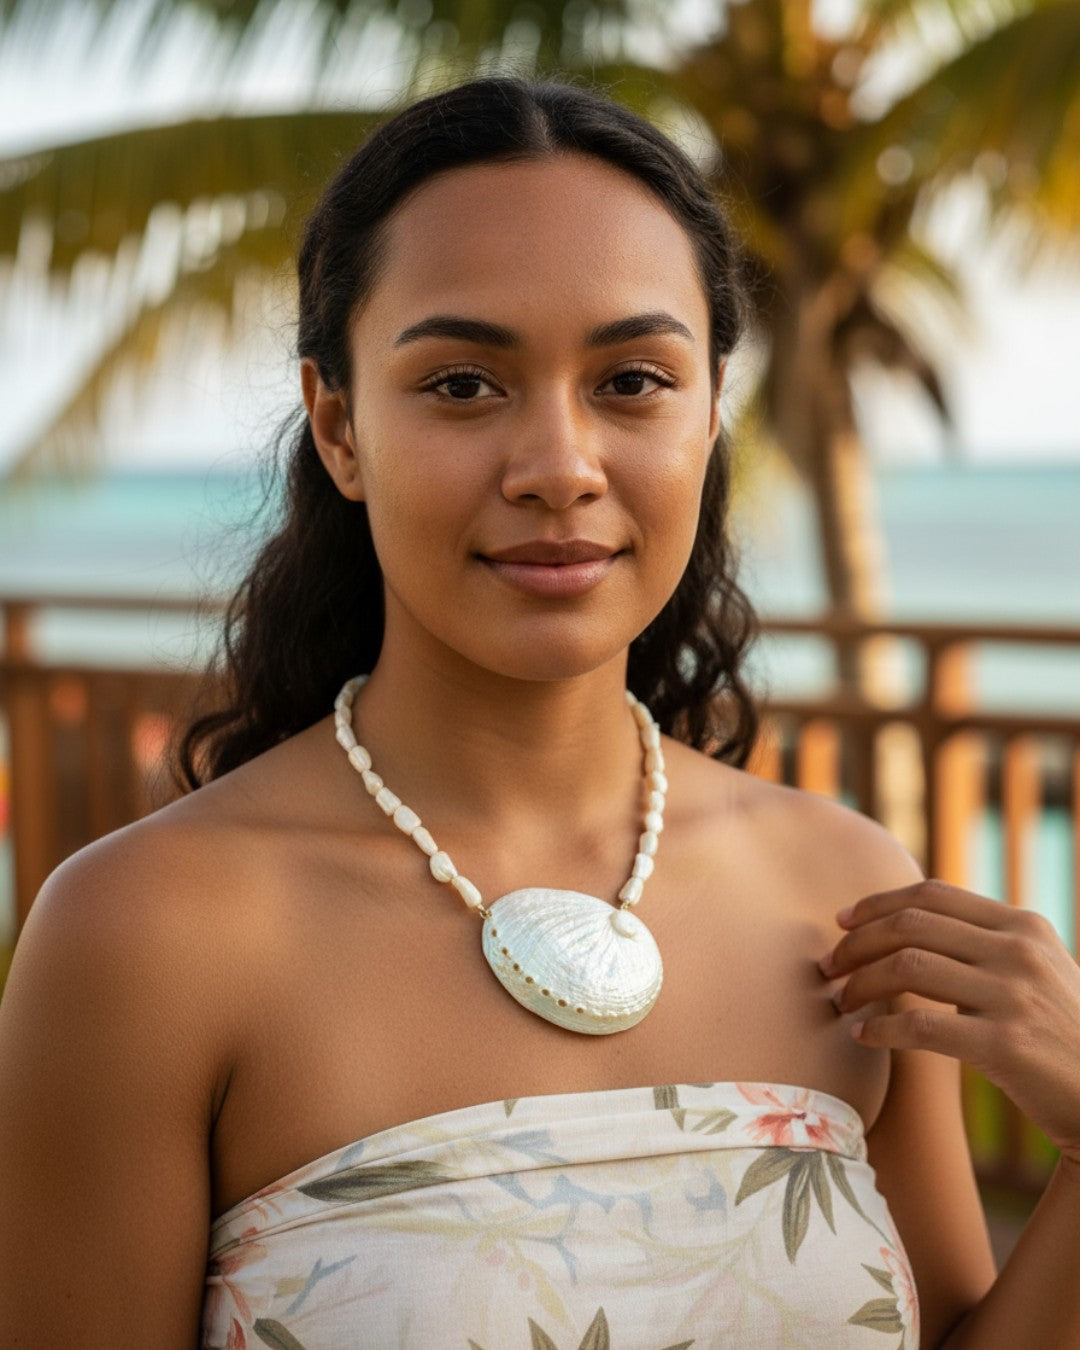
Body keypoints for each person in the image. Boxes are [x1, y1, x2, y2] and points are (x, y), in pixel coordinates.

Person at [1, 76, 1079, 1350]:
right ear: (339, 426)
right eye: (462, 384)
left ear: (712, 412)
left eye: (632, 380)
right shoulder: (149, 935)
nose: (560, 468)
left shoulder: (843, 899)